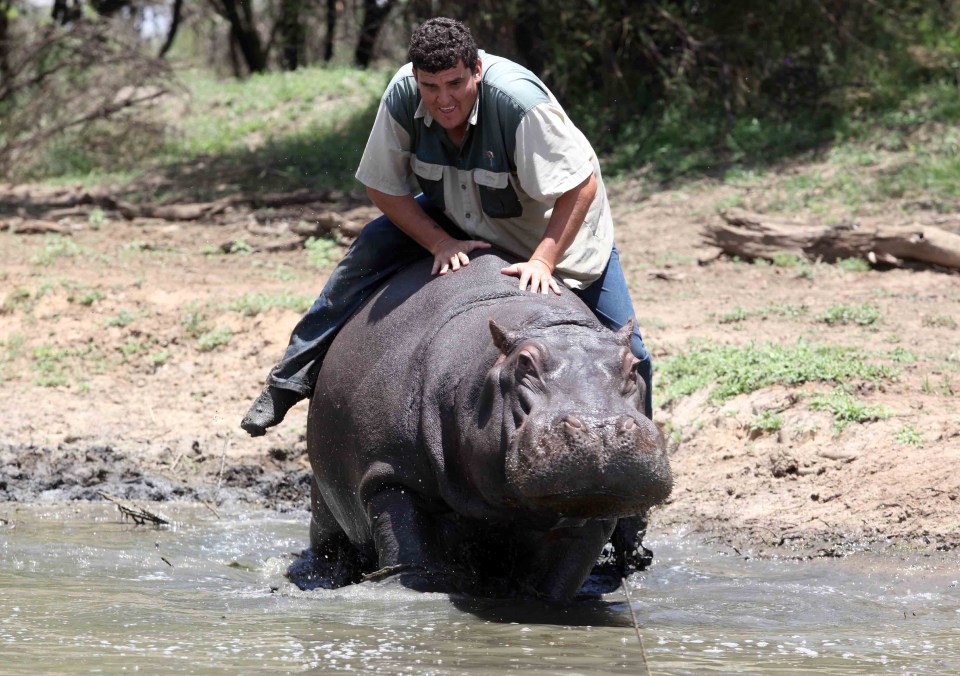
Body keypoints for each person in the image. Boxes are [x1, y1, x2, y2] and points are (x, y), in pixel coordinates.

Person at [241, 17, 653, 437]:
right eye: (430, 87)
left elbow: (581, 186)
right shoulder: (402, 93)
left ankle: (637, 458)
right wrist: (437, 241)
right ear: (415, 76)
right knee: (371, 244)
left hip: (553, 234)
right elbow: (381, 186)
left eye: (455, 84)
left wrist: (544, 261)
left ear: (476, 69)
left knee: (631, 354)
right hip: (458, 212)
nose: (444, 101)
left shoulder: (519, 104)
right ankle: (289, 380)